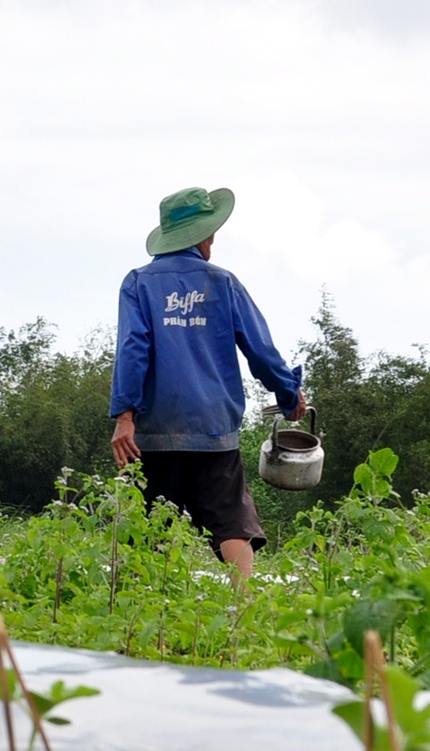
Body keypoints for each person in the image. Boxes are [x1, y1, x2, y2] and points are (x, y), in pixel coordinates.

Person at [110, 186, 306, 580]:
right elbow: (260, 348)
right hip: (214, 425)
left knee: (149, 523)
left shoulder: (139, 283)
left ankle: (146, 603)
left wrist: (125, 417)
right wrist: (288, 393)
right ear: (203, 236)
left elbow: (133, 348)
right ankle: (245, 602)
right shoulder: (223, 283)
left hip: (155, 427)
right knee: (230, 518)